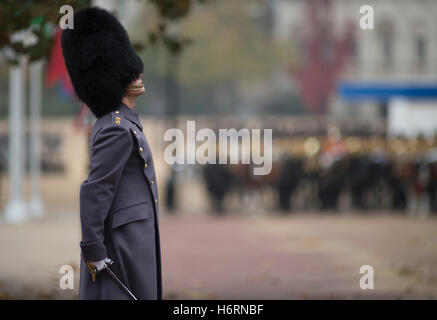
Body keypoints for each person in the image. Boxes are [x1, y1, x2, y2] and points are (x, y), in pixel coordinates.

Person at [61, 7, 162, 300]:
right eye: (129, 72)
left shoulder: (122, 122)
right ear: (113, 78)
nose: (138, 74)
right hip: (122, 245)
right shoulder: (116, 128)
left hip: (132, 238)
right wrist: (93, 250)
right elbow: (96, 190)